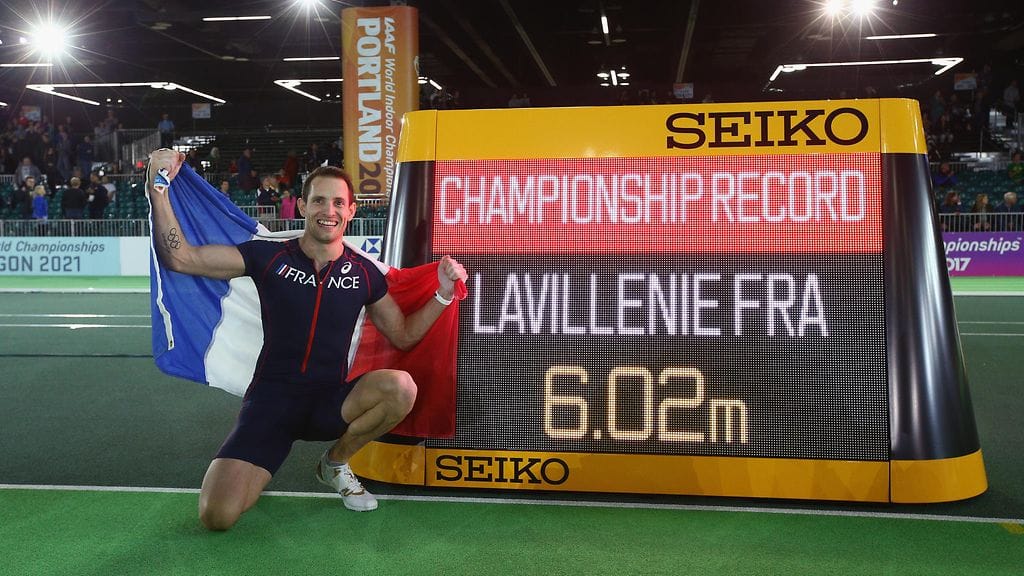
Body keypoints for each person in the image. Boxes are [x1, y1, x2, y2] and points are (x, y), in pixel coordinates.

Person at [147, 149, 467, 531]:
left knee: (401, 387)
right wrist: (158, 189)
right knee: (218, 516)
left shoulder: (365, 274)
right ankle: (259, 461)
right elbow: (182, 259)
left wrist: (443, 293)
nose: (327, 210)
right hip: (270, 404)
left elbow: (404, 335)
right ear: (301, 205)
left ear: (351, 212)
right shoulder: (269, 256)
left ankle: (334, 464)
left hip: (330, 404)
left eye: (337, 202)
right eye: (318, 200)